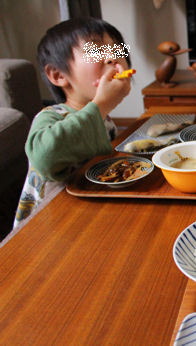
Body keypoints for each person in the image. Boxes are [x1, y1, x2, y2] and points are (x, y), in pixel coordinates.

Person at [10, 17, 132, 234]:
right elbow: (44, 156)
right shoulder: (51, 116)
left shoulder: (104, 119)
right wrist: (101, 105)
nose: (114, 57)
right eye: (96, 50)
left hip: (88, 215)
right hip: (48, 228)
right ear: (58, 75)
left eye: (119, 50)